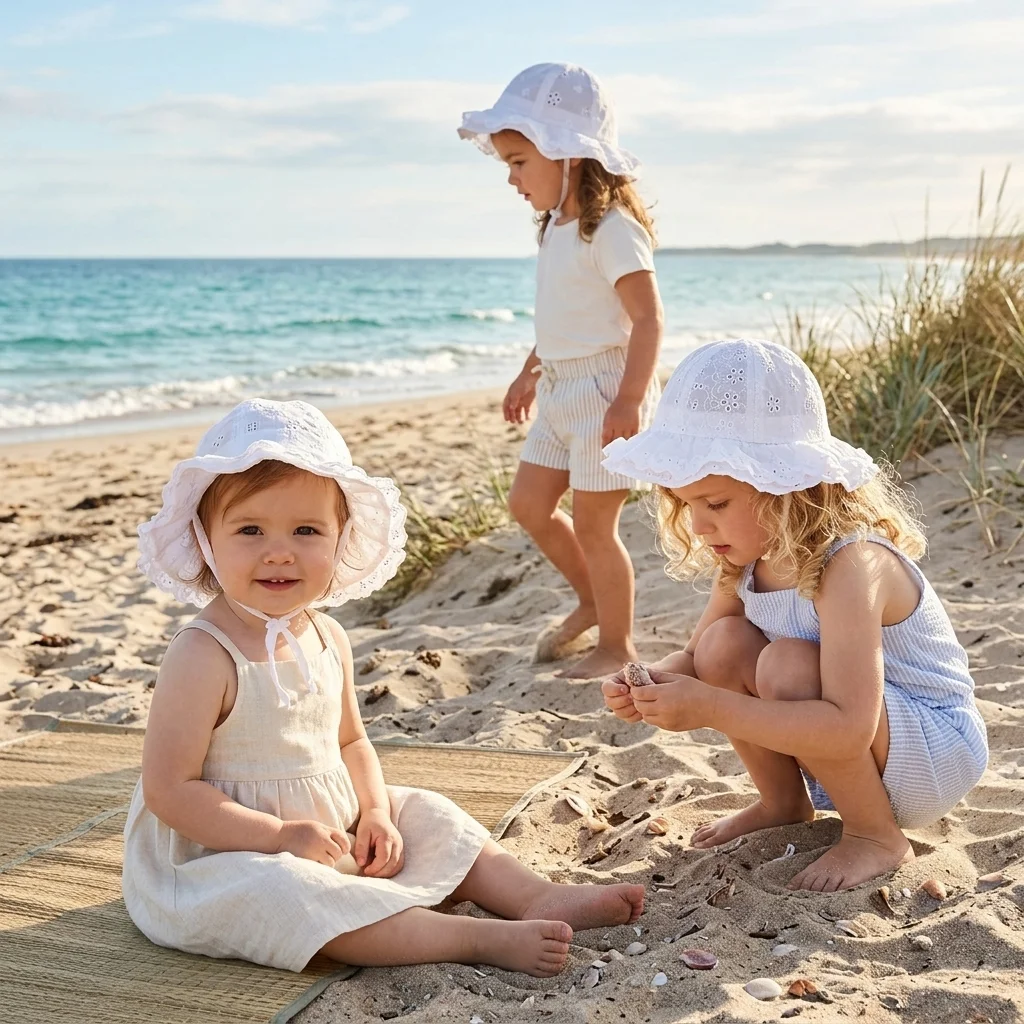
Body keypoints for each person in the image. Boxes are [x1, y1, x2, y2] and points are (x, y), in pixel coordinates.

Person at [124, 399, 644, 975]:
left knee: (428, 811)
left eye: (306, 530)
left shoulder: (327, 636)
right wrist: (276, 837)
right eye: (249, 529)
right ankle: (469, 939)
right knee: (292, 896)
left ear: (340, 537)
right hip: (223, 853)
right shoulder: (203, 654)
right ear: (205, 540)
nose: (280, 551)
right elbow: (170, 790)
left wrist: (374, 812)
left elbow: (351, 744)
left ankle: (531, 894)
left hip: (328, 824)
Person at [600, 339, 988, 891]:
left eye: (716, 504)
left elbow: (850, 723)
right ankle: (783, 802)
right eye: (687, 504)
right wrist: (648, 684)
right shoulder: (746, 559)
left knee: (784, 664)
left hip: (930, 752)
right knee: (722, 645)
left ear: (786, 487)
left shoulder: (851, 562)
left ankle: (876, 836)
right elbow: (697, 657)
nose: (700, 527)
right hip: (850, 748)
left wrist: (711, 707)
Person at [459, 62, 663, 679]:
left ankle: (618, 645)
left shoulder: (613, 230)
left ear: (567, 155)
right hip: (560, 387)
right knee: (530, 503)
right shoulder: (555, 226)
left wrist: (628, 403)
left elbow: (648, 321)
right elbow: (561, 317)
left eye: (519, 162)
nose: (513, 179)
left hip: (606, 390)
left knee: (598, 527)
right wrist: (529, 370)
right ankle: (590, 601)